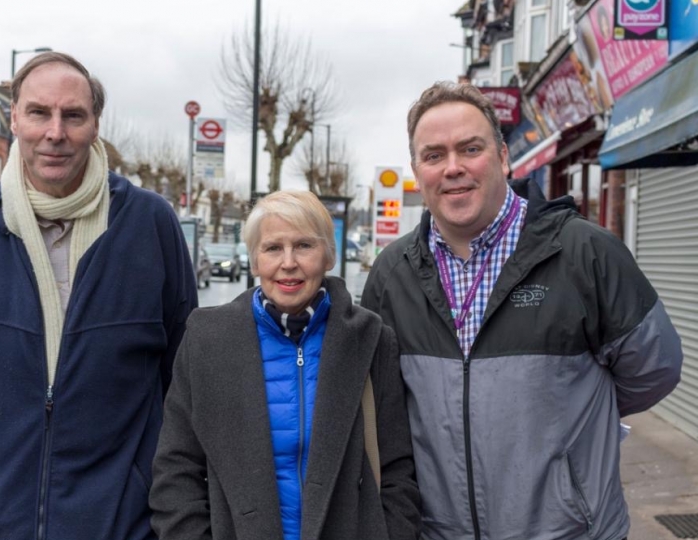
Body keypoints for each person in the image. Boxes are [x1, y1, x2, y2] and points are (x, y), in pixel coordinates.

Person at [361, 81, 682, 540]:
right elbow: (384, 408)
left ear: (503, 158)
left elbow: (655, 369)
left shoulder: (586, 254)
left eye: (470, 149)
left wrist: (567, 426)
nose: (453, 168)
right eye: (433, 156)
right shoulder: (392, 275)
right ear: (417, 170)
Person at [0, 52, 197, 540]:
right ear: (14, 118)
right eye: (38, 112)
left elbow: (180, 371)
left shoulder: (149, 223)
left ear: (95, 126)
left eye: (73, 115)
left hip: (120, 524)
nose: (55, 132)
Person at [150, 190, 422, 540]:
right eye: (273, 248)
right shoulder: (206, 340)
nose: (288, 262)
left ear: (328, 256)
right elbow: (175, 470)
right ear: (254, 260)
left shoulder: (371, 340)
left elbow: (397, 470)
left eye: (304, 246)